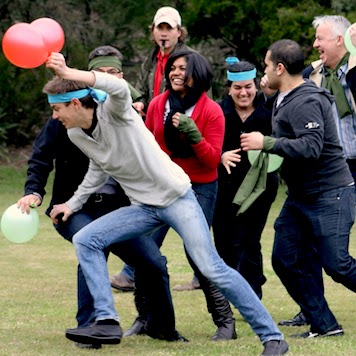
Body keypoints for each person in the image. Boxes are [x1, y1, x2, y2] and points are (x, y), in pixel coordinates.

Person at [43, 52, 288, 356]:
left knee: (212, 267)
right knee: (86, 238)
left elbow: (118, 87)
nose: (55, 116)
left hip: (177, 198)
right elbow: (99, 167)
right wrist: (72, 203)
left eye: (57, 109)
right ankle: (106, 320)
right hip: (143, 207)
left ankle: (273, 338)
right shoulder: (76, 133)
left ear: (76, 103)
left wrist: (69, 71)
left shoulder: (116, 111)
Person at [17, 45, 184, 349]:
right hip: (72, 209)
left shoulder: (125, 116)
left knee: (153, 262)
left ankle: (161, 327)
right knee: (90, 245)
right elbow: (40, 158)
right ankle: (90, 328)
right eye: (99, 75)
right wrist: (34, 193)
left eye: (111, 75)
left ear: (120, 78)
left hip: (118, 208)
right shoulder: (64, 117)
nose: (104, 80)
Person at [240, 39, 356, 339]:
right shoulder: (283, 97)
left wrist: (265, 142)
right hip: (300, 197)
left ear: (280, 67)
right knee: (285, 258)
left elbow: (311, 147)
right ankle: (325, 325)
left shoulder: (307, 99)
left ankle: (324, 322)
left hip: (331, 192)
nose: (263, 70)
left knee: (338, 265)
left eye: (266, 64)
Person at [124, 50, 235, 341]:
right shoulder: (158, 104)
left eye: (182, 68)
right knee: (145, 250)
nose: (175, 73)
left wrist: (194, 134)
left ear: (196, 74)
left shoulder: (211, 111)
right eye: (172, 68)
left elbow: (212, 161)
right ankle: (144, 318)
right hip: (161, 186)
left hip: (199, 186)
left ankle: (225, 322)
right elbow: (148, 145)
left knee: (199, 253)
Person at [112, 5, 201, 293]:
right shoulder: (150, 61)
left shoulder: (188, 60)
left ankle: (133, 271)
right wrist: (139, 102)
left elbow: (199, 92)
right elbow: (140, 89)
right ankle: (135, 270)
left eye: (169, 28)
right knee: (163, 206)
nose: (164, 33)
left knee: (167, 205)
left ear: (179, 32)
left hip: (180, 142)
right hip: (152, 138)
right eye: (159, 28)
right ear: (153, 32)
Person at [280, 15, 356, 328]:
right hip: (330, 169)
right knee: (308, 245)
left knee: (335, 256)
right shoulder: (313, 75)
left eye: (320, 38)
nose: (315, 44)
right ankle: (312, 308)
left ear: (340, 40)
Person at [212, 58, 279, 300]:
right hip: (224, 187)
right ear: (229, 89)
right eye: (237, 88)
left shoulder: (271, 111)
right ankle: (230, 292)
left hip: (260, 188)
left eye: (248, 86)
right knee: (224, 240)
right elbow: (203, 145)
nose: (243, 93)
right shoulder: (217, 112)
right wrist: (220, 156)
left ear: (256, 85)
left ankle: (252, 295)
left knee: (248, 239)